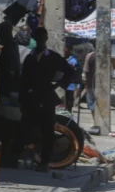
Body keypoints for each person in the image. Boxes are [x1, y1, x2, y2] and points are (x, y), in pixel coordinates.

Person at [19, 27, 76, 172]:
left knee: (47, 131)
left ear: (45, 39)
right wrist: (22, 98)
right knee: (29, 129)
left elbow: (70, 72)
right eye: (37, 38)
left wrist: (58, 85)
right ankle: (30, 156)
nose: (40, 41)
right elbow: (23, 80)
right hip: (31, 99)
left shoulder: (53, 57)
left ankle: (44, 162)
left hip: (46, 98)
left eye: (42, 38)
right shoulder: (30, 58)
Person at [0, 20, 21, 106]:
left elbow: (11, 71)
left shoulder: (10, 48)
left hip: (7, 92)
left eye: (0, 33)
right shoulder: (11, 46)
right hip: (7, 91)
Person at [63, 44, 81, 113]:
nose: (64, 50)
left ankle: (69, 113)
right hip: (61, 85)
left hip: (70, 85)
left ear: (69, 50)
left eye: (66, 48)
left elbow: (78, 74)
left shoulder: (74, 61)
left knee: (69, 102)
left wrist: (78, 85)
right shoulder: (61, 59)